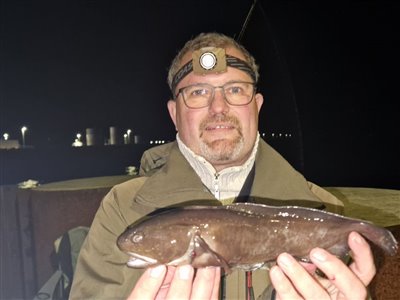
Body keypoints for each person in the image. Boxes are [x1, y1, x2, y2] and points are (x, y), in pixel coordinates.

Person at [69, 32, 375, 299]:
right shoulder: (122, 209)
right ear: (175, 113)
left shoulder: (322, 212)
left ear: (256, 106)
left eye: (235, 89)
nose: (219, 107)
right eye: (199, 92)